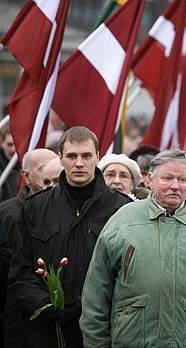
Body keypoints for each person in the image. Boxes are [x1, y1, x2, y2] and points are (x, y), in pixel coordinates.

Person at [80, 149, 186, 348]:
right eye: (167, 178)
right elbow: (96, 295)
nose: (175, 186)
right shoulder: (123, 221)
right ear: (150, 179)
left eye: (182, 180)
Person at [6, 127, 131, 348]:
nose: (79, 163)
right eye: (72, 156)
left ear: (98, 157)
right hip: (45, 332)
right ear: (61, 159)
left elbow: (128, 274)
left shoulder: (122, 208)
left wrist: (86, 306)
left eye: (86, 155)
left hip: (100, 330)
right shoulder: (35, 208)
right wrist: (46, 305)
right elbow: (21, 271)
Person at [0, 148, 61, 348]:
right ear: (26, 176)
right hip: (16, 317)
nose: (52, 186)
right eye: (46, 177)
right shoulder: (7, 214)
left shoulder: (70, 213)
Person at [0, 128, 19, 202]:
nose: (13, 149)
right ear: (1, 143)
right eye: (9, 144)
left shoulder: (24, 164)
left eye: (16, 144)